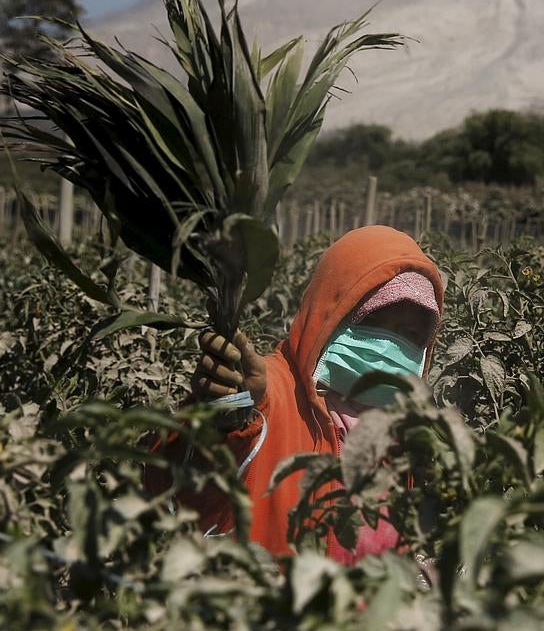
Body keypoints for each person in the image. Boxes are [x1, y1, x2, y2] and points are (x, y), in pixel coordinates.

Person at [143, 225, 444, 564]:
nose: (389, 345)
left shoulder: (400, 432)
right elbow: (173, 487)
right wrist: (225, 415)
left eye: (411, 333)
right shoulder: (267, 392)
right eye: (375, 320)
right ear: (331, 310)